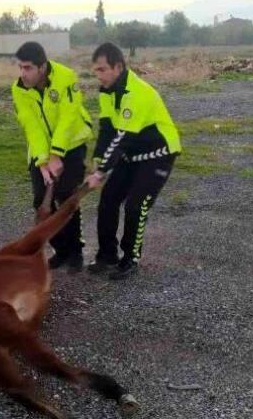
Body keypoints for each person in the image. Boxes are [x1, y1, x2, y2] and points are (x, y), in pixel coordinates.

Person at [85, 42, 182, 280]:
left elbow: (123, 138)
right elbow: (107, 130)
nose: (98, 76)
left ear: (118, 67)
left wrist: (101, 172)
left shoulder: (137, 92)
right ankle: (107, 255)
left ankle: (130, 258)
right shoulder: (106, 92)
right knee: (108, 198)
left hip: (158, 154)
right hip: (131, 154)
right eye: (95, 70)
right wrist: (99, 161)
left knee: (136, 205)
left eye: (102, 70)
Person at [11, 41, 93, 272]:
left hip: (72, 144)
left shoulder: (66, 77)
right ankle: (61, 250)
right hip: (42, 150)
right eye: (20, 67)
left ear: (43, 67)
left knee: (66, 196)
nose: (23, 74)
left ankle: (76, 251)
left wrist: (57, 153)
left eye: (27, 68)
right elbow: (31, 125)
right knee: (41, 200)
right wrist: (43, 160)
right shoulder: (18, 89)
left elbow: (68, 118)